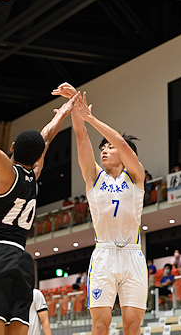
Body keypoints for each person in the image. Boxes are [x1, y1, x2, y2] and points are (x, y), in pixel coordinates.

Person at [0, 57, 77, 335]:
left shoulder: (6, 173)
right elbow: (46, 137)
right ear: (38, 157)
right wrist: (62, 113)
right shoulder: (34, 175)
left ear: (12, 147)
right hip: (22, 261)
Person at [52, 83, 147, 335]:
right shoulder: (94, 176)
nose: (104, 150)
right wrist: (74, 105)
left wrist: (91, 117)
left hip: (133, 254)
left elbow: (124, 145)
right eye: (102, 148)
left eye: (109, 147)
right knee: (100, 325)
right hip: (104, 255)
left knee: (132, 325)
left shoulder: (136, 175)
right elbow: (82, 137)